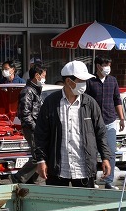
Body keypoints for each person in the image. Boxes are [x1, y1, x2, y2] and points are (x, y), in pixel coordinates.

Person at [32, 60, 111, 188]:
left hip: (84, 168)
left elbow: (100, 132)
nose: (85, 84)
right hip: (58, 168)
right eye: (81, 81)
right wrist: (41, 160)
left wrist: (105, 157)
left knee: (84, 206)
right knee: (57, 205)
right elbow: (41, 134)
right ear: (69, 81)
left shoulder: (90, 103)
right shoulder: (51, 102)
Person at [90, 56, 126, 188]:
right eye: (105, 64)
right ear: (98, 66)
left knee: (110, 152)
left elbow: (117, 100)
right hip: (93, 123)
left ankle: (108, 181)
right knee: (92, 152)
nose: (108, 67)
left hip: (110, 120)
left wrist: (121, 118)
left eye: (109, 64)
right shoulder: (90, 81)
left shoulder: (113, 80)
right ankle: (91, 180)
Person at [14, 62, 46, 183]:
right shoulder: (27, 91)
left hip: (37, 127)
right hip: (31, 128)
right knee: (37, 155)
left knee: (39, 155)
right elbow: (25, 114)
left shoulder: (36, 90)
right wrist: (35, 128)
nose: (44, 79)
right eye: (43, 75)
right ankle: (19, 177)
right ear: (37, 76)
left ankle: (32, 180)